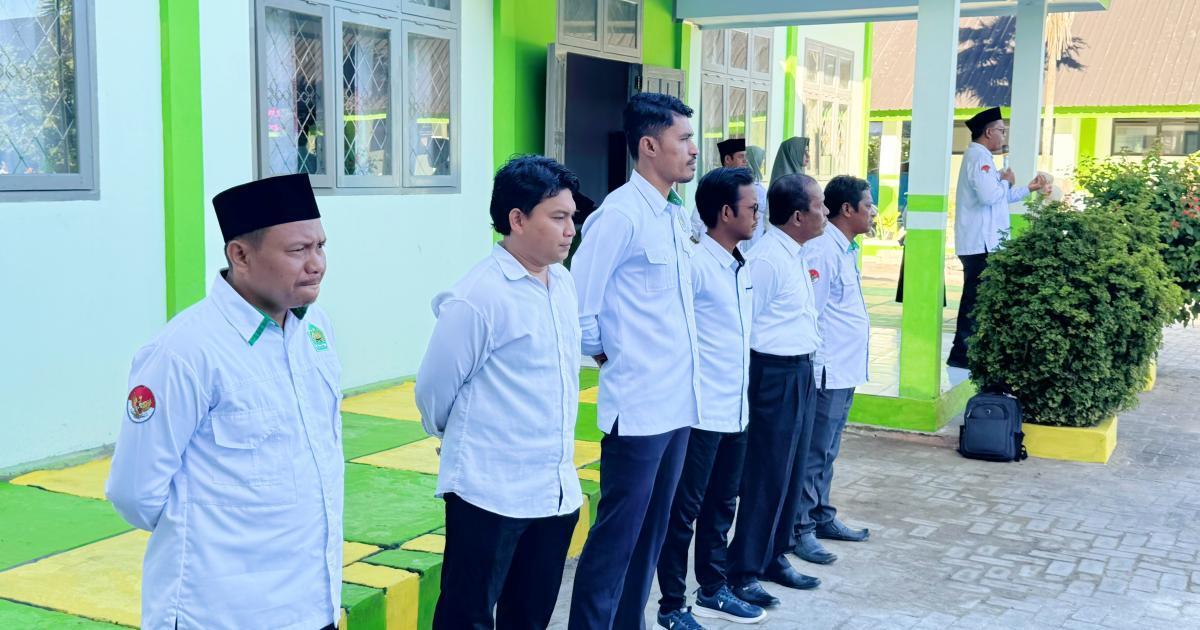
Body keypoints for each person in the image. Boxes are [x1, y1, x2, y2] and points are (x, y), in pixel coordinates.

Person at [106, 174, 343, 630]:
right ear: (240, 255)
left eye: (320, 246)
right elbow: (134, 492)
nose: (316, 264)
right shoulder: (185, 352)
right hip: (220, 612)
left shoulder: (315, 331)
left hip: (311, 605)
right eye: (297, 250)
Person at [415, 155, 583, 630]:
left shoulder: (562, 284)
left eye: (572, 217)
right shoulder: (478, 296)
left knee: (529, 618)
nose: (570, 230)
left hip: (553, 493)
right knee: (466, 618)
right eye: (558, 217)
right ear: (517, 219)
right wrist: (464, 438)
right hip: (489, 493)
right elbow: (433, 392)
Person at [568, 92, 702, 630]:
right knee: (616, 541)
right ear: (649, 146)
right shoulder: (619, 217)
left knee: (651, 535)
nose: (693, 149)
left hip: (678, 405)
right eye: (683, 139)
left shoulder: (674, 214)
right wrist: (612, 357)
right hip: (639, 407)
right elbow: (580, 309)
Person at [655, 167, 766, 629]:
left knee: (723, 504)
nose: (758, 216)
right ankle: (671, 605)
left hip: (735, 409)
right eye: (752, 208)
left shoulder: (741, 264)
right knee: (684, 511)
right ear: (725, 212)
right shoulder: (696, 266)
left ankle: (712, 589)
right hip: (700, 412)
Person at [726, 173, 829, 609]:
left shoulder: (795, 253)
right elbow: (745, 323)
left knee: (790, 469)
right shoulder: (767, 258)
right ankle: (743, 569)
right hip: (772, 375)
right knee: (766, 474)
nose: (826, 212)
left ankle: (773, 555)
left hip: (799, 371)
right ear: (798, 216)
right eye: (820, 205)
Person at [792, 175, 876, 566]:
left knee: (828, 450)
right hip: (828, 371)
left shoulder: (845, 248)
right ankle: (801, 529)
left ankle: (821, 515)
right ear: (847, 209)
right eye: (868, 205)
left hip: (845, 369)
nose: (872, 212)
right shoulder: (823, 251)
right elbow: (813, 312)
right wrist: (816, 370)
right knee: (814, 452)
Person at [949, 106, 1046, 369]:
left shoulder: (984, 159)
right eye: (1002, 130)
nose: (1004, 136)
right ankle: (962, 355)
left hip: (986, 243)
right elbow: (990, 196)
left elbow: (1000, 198)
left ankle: (971, 353)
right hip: (979, 244)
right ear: (989, 132)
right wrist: (1006, 181)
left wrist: (1028, 188)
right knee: (974, 300)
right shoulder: (978, 158)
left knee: (981, 299)